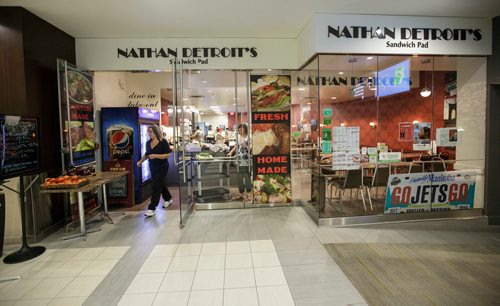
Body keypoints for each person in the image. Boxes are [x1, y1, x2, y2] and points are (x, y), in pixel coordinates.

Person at [137, 124, 173, 217]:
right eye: (148, 131)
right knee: (160, 184)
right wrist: (140, 161)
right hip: (152, 167)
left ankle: (152, 208)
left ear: (156, 132)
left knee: (156, 186)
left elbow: (167, 155)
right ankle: (168, 198)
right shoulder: (148, 143)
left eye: (150, 131)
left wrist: (156, 156)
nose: (149, 133)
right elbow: (147, 154)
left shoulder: (163, 142)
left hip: (162, 167)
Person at [227, 122, 252, 202]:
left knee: (247, 176)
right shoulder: (238, 137)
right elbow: (236, 146)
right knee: (239, 176)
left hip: (247, 159)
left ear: (245, 128)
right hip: (239, 159)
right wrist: (231, 152)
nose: (240, 130)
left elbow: (251, 148)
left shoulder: (249, 137)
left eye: (242, 128)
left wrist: (247, 147)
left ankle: (248, 193)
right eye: (239, 128)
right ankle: (241, 193)